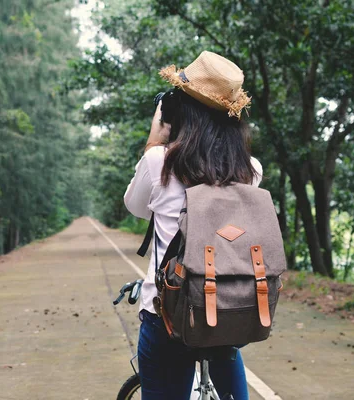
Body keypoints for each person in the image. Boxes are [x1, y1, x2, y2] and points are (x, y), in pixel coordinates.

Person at [123, 51, 262, 400]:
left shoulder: (160, 163)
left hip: (169, 314)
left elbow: (136, 207)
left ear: (180, 109)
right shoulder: (251, 169)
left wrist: (155, 140)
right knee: (226, 357)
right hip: (229, 312)